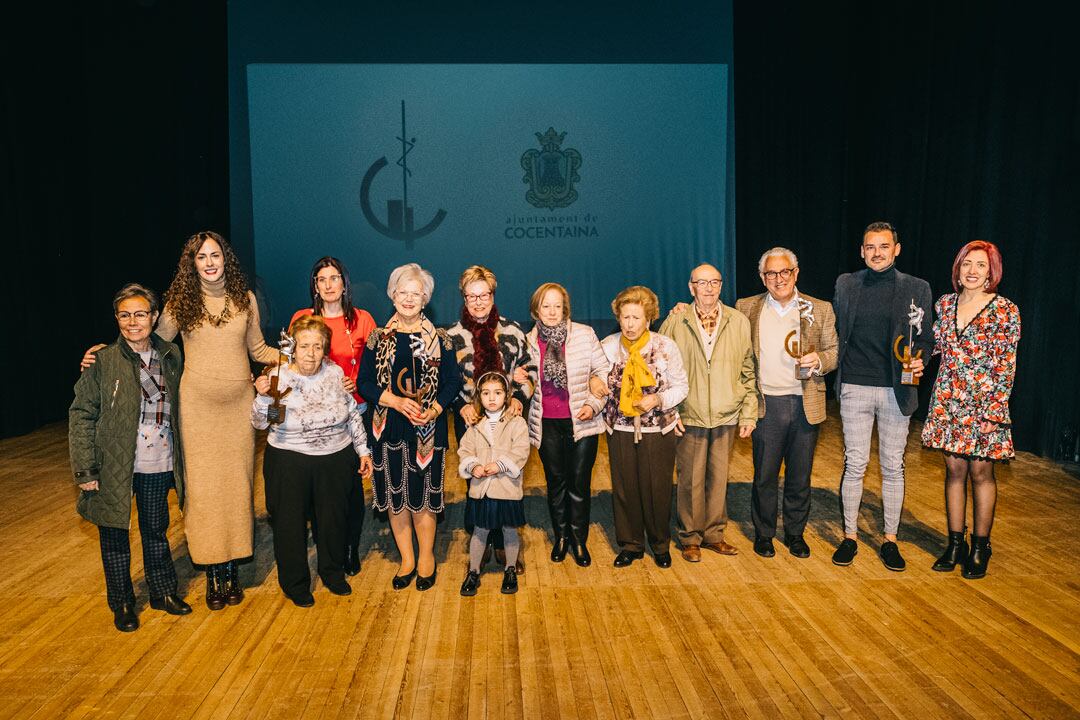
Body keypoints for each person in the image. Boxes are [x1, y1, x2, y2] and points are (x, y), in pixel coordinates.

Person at [81, 231, 279, 608]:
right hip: (195, 409)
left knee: (237, 486)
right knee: (202, 492)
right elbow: (147, 341)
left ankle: (232, 569)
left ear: (226, 259)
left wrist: (303, 358)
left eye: (215, 255)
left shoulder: (245, 300)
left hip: (238, 408)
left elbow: (259, 349)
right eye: (201, 257)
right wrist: (105, 353)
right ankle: (212, 572)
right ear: (192, 264)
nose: (209, 262)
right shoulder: (180, 302)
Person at [69, 283, 191, 632]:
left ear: (154, 317)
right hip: (114, 466)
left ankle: (163, 593)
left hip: (159, 462)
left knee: (156, 531)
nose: (133, 322)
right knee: (114, 537)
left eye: (140, 314)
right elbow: (81, 415)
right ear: (117, 318)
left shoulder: (172, 355)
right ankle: (122, 602)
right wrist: (86, 470)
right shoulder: (103, 360)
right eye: (125, 315)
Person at [252, 315, 374, 606]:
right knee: (289, 524)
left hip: (335, 458)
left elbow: (352, 414)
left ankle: (332, 574)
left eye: (317, 346)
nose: (311, 353)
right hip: (289, 460)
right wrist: (264, 399)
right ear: (293, 347)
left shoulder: (335, 373)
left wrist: (363, 451)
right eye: (304, 346)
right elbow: (259, 423)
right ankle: (295, 584)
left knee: (333, 520)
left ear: (325, 349)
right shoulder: (277, 377)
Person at [831, 221, 932, 571]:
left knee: (893, 466)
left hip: (896, 389)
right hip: (855, 386)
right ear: (862, 251)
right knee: (854, 463)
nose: (877, 253)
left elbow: (924, 339)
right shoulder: (846, 284)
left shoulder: (917, 288)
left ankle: (890, 540)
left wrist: (918, 361)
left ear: (896, 249)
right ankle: (849, 536)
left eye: (884, 246)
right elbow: (832, 329)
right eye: (870, 247)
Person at [357, 263, 462, 591]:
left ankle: (427, 557)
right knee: (396, 496)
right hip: (387, 428)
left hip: (426, 431)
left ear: (426, 298)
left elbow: (452, 383)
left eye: (416, 293)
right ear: (392, 295)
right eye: (403, 292)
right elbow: (365, 384)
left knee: (424, 498)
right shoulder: (378, 338)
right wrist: (396, 401)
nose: (408, 298)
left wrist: (433, 410)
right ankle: (407, 559)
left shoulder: (439, 340)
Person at [921, 241, 1019, 579]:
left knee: (981, 474)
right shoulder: (945, 305)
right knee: (954, 473)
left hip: (983, 405)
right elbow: (933, 345)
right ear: (958, 269)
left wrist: (995, 411)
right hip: (948, 400)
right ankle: (954, 543)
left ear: (992, 272)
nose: (973, 271)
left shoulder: (1005, 309)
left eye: (980, 265)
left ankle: (980, 546)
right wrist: (908, 356)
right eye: (967, 264)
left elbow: (1006, 364)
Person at [735, 248, 838, 559]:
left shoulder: (819, 309)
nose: (778, 279)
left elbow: (833, 351)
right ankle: (764, 534)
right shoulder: (745, 308)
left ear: (796, 273)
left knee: (799, 476)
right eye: (770, 274)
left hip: (805, 403)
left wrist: (819, 360)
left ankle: (795, 534)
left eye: (784, 272)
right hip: (766, 404)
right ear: (762, 277)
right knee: (764, 475)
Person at [659, 264, 757, 563]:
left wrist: (749, 412)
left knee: (719, 478)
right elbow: (660, 372)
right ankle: (689, 537)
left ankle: (714, 535)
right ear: (691, 288)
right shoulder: (675, 322)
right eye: (702, 283)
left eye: (715, 282)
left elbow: (748, 369)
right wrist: (670, 411)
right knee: (690, 479)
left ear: (721, 285)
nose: (709, 288)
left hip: (727, 413)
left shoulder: (738, 321)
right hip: (690, 413)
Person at [446, 265, 536, 573]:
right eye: (472, 296)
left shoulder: (511, 331)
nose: (479, 302)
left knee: (506, 478)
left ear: (493, 295)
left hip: (508, 418)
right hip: (471, 419)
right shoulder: (452, 336)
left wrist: (518, 398)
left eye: (484, 295)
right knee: (478, 477)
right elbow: (450, 381)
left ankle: (504, 543)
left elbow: (528, 371)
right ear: (464, 297)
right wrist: (460, 405)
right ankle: (479, 538)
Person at [290, 256, 376, 576]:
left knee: (352, 489)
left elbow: (375, 369)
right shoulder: (301, 318)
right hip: (312, 419)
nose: (328, 285)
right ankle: (329, 544)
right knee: (317, 487)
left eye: (334, 278)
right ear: (315, 285)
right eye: (321, 279)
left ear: (344, 283)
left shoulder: (363, 320)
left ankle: (350, 547)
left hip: (355, 412)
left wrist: (360, 383)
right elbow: (291, 366)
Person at [602, 286, 688, 568]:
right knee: (625, 489)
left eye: (636, 318)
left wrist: (659, 399)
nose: (629, 324)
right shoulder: (608, 347)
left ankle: (660, 544)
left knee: (657, 488)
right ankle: (631, 544)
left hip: (657, 432)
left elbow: (681, 387)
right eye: (625, 317)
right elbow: (597, 381)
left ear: (648, 319)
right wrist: (594, 382)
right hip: (621, 430)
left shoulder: (666, 347)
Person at [525, 283, 610, 567]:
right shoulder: (527, 341)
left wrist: (593, 405)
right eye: (546, 306)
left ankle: (579, 540)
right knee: (556, 483)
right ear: (537, 309)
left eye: (557, 306)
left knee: (579, 483)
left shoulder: (585, 336)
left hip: (583, 422)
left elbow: (603, 372)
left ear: (565, 309)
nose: (551, 311)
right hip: (546, 423)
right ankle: (561, 537)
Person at [457, 372, 531, 596]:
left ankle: (510, 568)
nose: (492, 398)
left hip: (506, 487)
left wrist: (500, 465)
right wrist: (473, 466)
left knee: (509, 530)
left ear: (507, 395)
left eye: (497, 393)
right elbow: (465, 450)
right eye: (486, 393)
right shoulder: (475, 424)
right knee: (480, 531)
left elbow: (521, 451)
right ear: (479, 396)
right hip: (483, 489)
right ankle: (473, 570)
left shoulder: (516, 422)